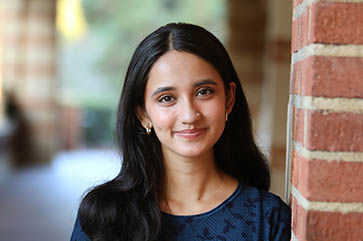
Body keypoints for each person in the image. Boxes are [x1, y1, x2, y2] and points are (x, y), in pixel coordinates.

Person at [70, 22, 291, 241]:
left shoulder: (269, 218)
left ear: (229, 99)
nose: (189, 115)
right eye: (167, 98)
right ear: (143, 113)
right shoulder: (102, 217)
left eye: (204, 92)